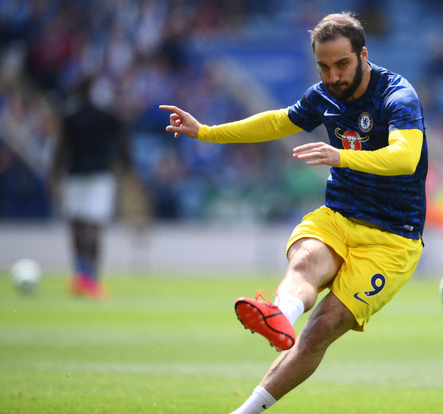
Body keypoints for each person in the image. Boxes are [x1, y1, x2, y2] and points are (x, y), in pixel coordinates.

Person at [159, 12, 427, 413]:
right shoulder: (323, 95)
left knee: (320, 330)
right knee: (303, 260)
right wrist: (207, 131)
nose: (333, 76)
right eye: (324, 66)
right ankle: (278, 315)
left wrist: (342, 155)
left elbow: (406, 158)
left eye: (342, 64)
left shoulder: (397, 95)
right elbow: (277, 122)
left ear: (363, 55)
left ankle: (252, 402)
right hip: (339, 214)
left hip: (393, 237)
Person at [51, 77, 134, 299]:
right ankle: (92, 279)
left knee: (76, 227)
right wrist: (129, 168)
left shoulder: (70, 116)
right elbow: (122, 141)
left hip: (75, 175)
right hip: (100, 176)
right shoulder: (106, 115)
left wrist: (54, 177)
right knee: (96, 228)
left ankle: (81, 276)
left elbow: (61, 148)